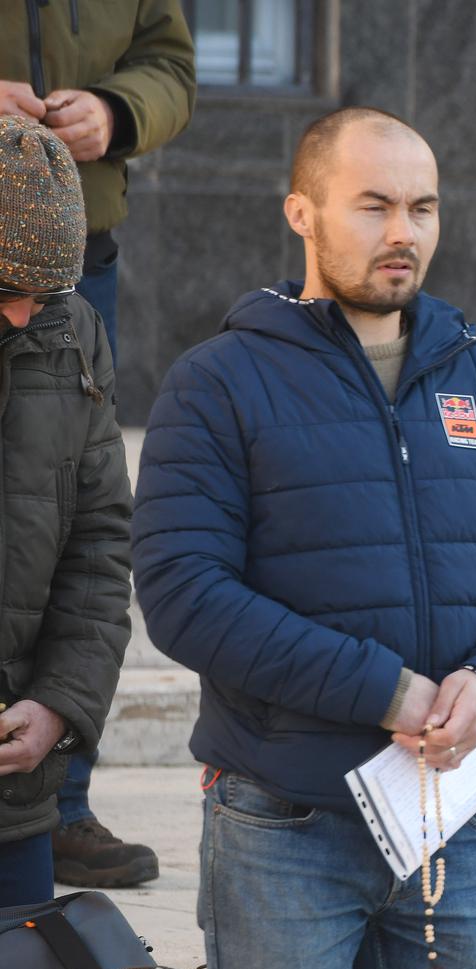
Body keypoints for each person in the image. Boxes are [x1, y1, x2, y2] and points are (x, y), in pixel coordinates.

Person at [40, 106, 476, 969]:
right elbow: (183, 593)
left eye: (422, 207)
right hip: (283, 816)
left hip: (452, 820)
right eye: (373, 205)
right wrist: (387, 691)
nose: (403, 232)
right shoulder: (221, 382)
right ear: (302, 211)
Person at [1, 0, 196, 890]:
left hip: (77, 239)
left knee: (58, 502)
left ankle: (52, 796)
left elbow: (170, 65)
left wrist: (118, 113)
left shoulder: (65, 319)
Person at [0, 115, 131, 909]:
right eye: (4, 291)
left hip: (18, 792)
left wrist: (58, 705)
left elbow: (99, 544)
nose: (24, 316)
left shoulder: (75, 331)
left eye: (42, 294)